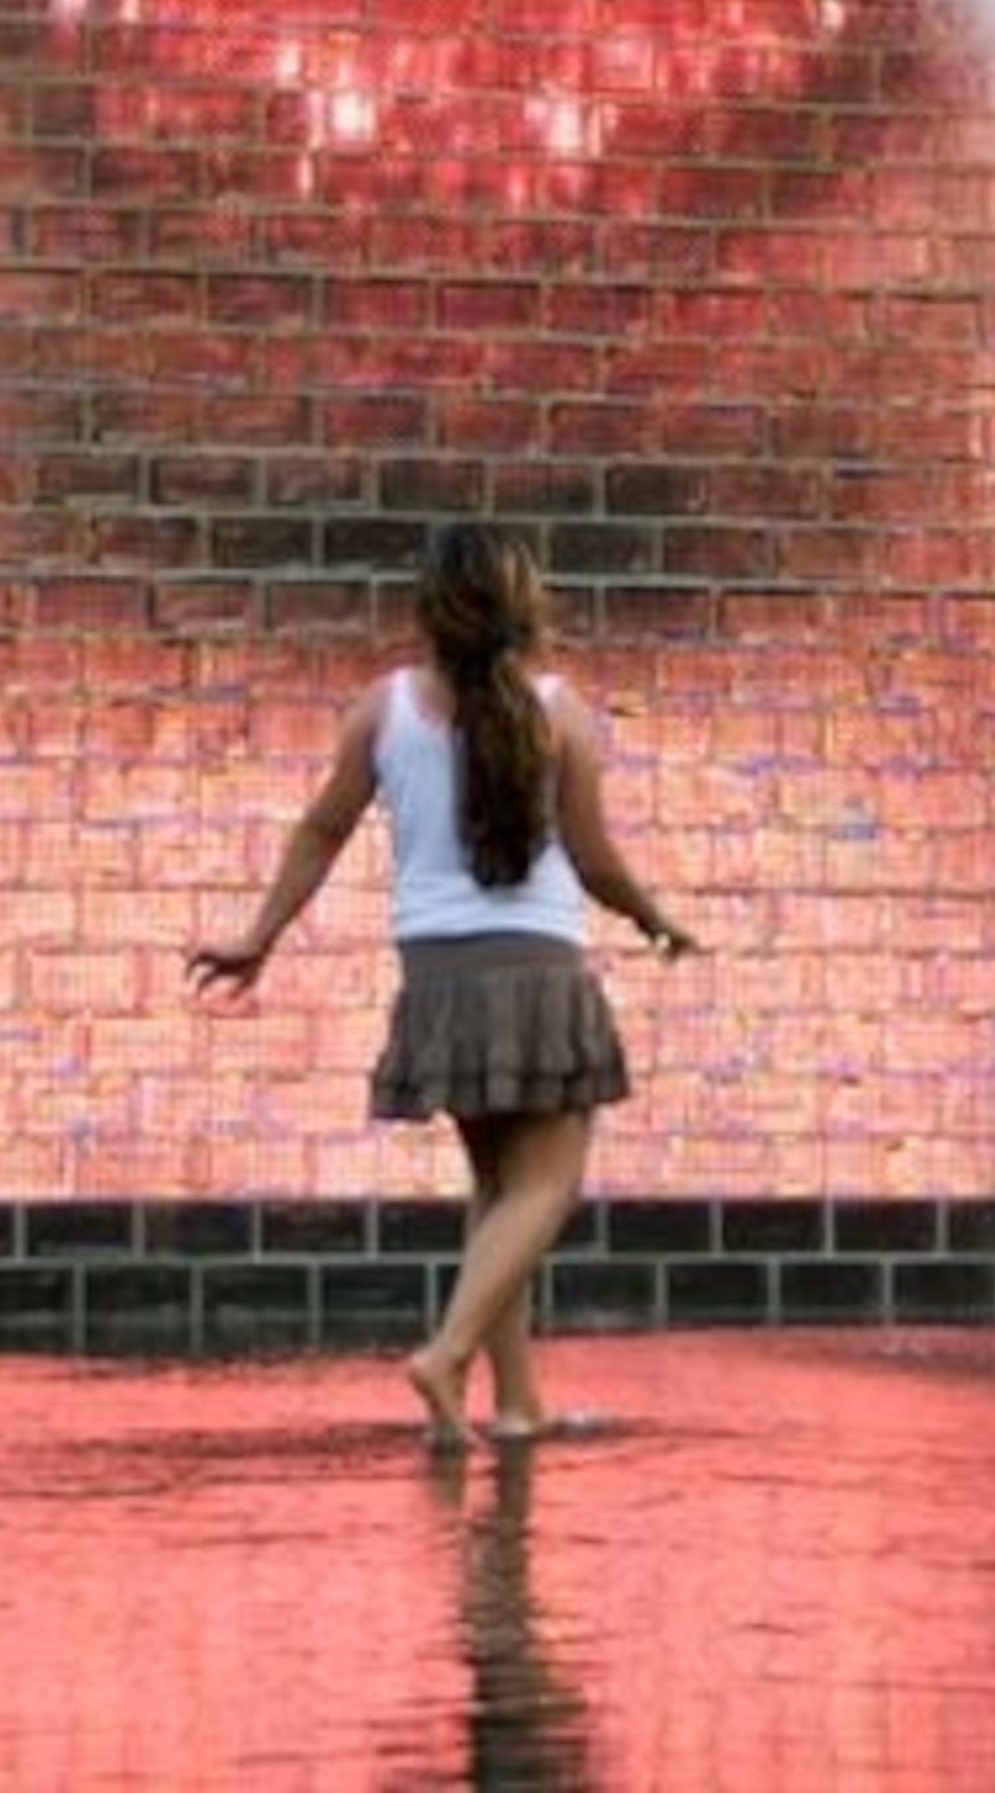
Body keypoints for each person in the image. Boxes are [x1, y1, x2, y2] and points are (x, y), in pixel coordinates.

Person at [188, 522, 695, 1444]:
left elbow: (320, 831)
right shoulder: (559, 711)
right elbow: (592, 858)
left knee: (500, 1192)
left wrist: (258, 936)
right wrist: (656, 919)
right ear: (523, 605)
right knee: (546, 1189)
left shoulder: (382, 709)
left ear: (429, 611)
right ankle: (445, 1354)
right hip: (536, 972)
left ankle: (516, 1405)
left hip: (436, 979)